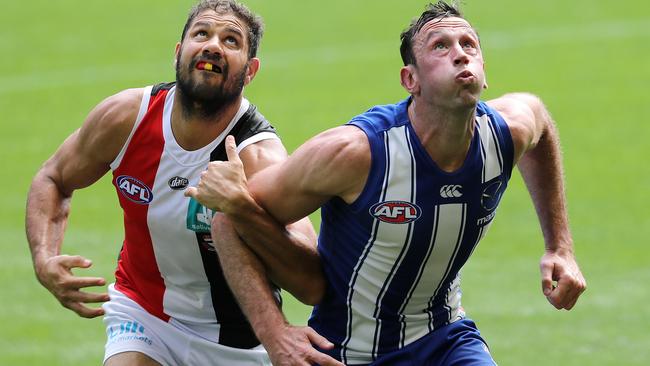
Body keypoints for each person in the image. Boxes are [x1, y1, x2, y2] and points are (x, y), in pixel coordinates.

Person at [185, 1, 588, 365]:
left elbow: (542, 128)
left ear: (484, 74)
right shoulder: (354, 152)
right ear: (409, 79)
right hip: (345, 350)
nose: (460, 53)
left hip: (445, 339)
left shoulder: (507, 132)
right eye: (440, 46)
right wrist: (275, 335)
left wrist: (560, 247)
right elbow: (229, 220)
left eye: (469, 44)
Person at [25, 1, 341, 365]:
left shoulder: (258, 157)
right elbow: (53, 177)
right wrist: (45, 258)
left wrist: (243, 208)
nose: (212, 46)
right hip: (144, 315)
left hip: (239, 341)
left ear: (250, 70)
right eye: (201, 34)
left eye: (231, 40)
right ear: (179, 52)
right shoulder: (126, 118)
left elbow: (310, 283)